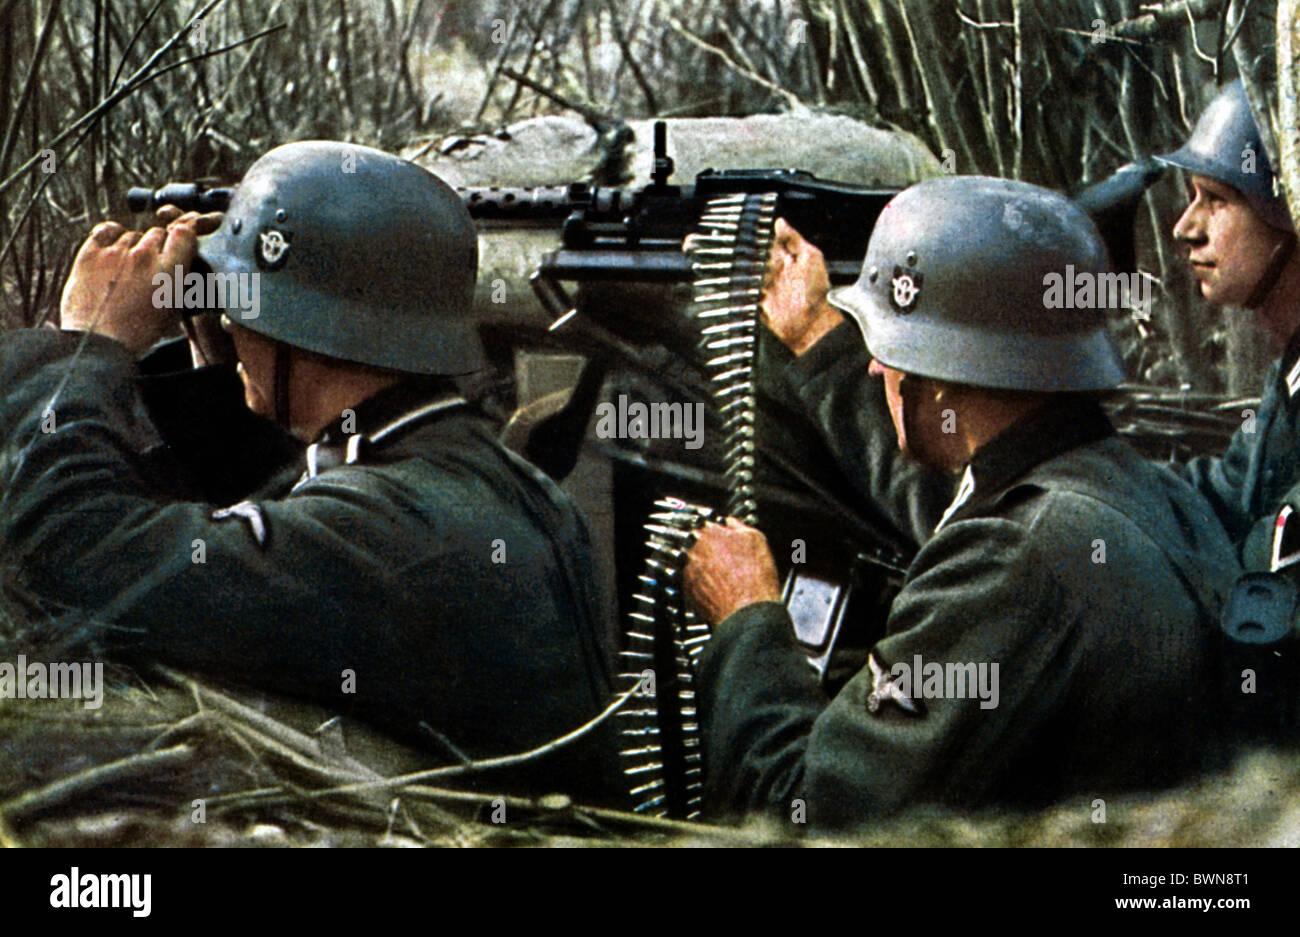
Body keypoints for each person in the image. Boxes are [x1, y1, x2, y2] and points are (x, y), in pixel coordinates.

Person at [0, 141, 619, 802]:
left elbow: (74, 554)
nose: (231, 320)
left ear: (303, 327)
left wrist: (88, 346)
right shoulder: (476, 473)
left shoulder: (394, 532)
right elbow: (276, 521)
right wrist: (224, 362)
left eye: (244, 308)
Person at [682, 176, 1237, 829]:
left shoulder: (1016, 560)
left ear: (942, 374)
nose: (873, 368)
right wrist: (815, 338)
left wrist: (747, 621)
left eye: (886, 347)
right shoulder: (1139, 491)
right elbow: (964, 500)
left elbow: (807, 810)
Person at [1156, 78, 1300, 546]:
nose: (1186, 228)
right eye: (1193, 196)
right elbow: (1226, 499)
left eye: (1217, 199)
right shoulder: (1291, 376)